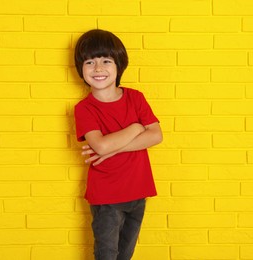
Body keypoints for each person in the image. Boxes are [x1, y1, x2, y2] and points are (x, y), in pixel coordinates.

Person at [73, 29, 163, 260]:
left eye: (106, 61)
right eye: (90, 62)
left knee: (126, 254)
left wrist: (115, 146)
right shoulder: (84, 109)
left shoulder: (136, 97)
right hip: (106, 197)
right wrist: (136, 127)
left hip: (138, 192)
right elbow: (101, 147)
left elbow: (156, 136)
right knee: (107, 254)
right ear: (80, 69)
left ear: (119, 65)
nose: (98, 68)